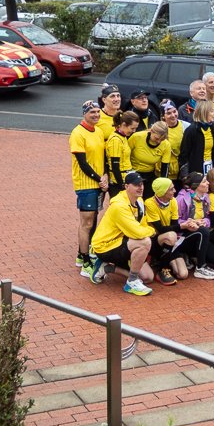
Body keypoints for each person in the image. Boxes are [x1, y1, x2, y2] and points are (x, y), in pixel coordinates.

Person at [88, 171, 155, 296]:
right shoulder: (119, 206)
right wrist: (152, 231)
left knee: (147, 277)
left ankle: (106, 267)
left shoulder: (139, 201)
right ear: (126, 186)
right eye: (136, 185)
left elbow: (143, 225)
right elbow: (138, 233)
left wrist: (147, 231)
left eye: (141, 184)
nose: (140, 187)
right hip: (104, 246)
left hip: (123, 242)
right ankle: (131, 282)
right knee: (145, 242)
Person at [70, 100, 108, 271]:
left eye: (98, 112)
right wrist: (99, 178)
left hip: (99, 183)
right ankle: (85, 261)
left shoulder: (98, 131)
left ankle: (82, 254)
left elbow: (103, 156)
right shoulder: (77, 133)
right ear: (84, 113)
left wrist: (104, 175)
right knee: (86, 223)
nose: (96, 115)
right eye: (92, 112)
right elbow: (83, 163)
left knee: (93, 220)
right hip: (86, 185)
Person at [175, 172, 214, 279]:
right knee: (203, 231)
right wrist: (189, 222)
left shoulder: (206, 197)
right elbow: (174, 221)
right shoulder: (181, 199)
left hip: (198, 234)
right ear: (196, 185)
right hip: (182, 236)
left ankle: (191, 256)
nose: (208, 183)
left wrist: (204, 222)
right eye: (204, 181)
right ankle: (200, 267)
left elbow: (208, 218)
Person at [143, 178, 186, 284]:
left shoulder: (173, 201)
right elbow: (160, 229)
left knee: (182, 274)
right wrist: (183, 226)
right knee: (170, 235)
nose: (175, 191)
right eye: (171, 189)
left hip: (169, 241)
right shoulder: (149, 203)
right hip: (154, 240)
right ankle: (163, 269)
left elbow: (174, 225)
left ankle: (161, 259)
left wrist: (183, 226)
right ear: (162, 192)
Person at [128, 121, 171, 197]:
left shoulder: (166, 144)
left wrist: (163, 184)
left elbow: (165, 167)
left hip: (150, 174)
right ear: (151, 131)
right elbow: (125, 155)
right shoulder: (137, 137)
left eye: (162, 139)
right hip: (133, 172)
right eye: (157, 138)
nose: (159, 141)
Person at [179, 99, 214, 177]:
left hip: (211, 169)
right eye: (212, 111)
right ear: (204, 112)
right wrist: (186, 176)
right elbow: (184, 155)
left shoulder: (211, 128)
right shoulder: (191, 130)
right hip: (196, 172)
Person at [106, 110, 140, 198]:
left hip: (126, 178)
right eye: (132, 128)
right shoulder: (116, 140)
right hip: (118, 182)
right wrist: (122, 185)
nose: (134, 131)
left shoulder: (123, 137)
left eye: (135, 128)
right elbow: (115, 166)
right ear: (124, 125)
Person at [159, 99, 189, 186]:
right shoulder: (159, 129)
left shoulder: (186, 126)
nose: (173, 115)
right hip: (165, 170)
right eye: (168, 113)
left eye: (174, 111)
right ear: (163, 116)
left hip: (183, 170)